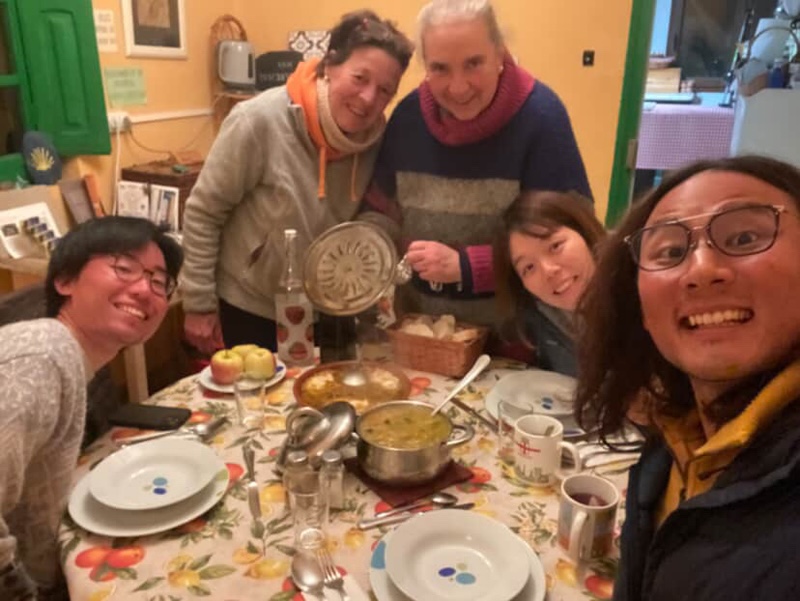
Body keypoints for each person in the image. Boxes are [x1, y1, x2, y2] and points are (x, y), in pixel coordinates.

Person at [574, 155, 800, 600]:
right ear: (640, 307)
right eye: (671, 252)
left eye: (744, 237)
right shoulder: (671, 441)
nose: (701, 270)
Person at [181, 10, 414, 355]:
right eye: (359, 78)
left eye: (385, 91)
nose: (368, 98)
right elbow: (204, 211)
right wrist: (198, 303)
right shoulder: (258, 122)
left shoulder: (378, 140)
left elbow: (375, 212)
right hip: (251, 305)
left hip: (329, 311)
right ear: (329, 65)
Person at [359, 0, 591, 333]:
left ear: (499, 54)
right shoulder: (407, 118)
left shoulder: (541, 118)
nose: (458, 87)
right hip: (420, 332)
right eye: (440, 68)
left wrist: (466, 268)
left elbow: (570, 244)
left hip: (517, 337)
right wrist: (370, 249)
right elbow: (381, 209)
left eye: (473, 63)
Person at [0, 216, 182, 601]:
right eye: (124, 267)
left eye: (159, 281)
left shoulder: (68, 358)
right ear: (65, 280)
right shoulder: (43, 355)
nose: (144, 289)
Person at [493, 190, 604, 376]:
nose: (548, 271)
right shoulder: (540, 317)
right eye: (529, 267)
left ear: (583, 232)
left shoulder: (640, 287)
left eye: (555, 246)